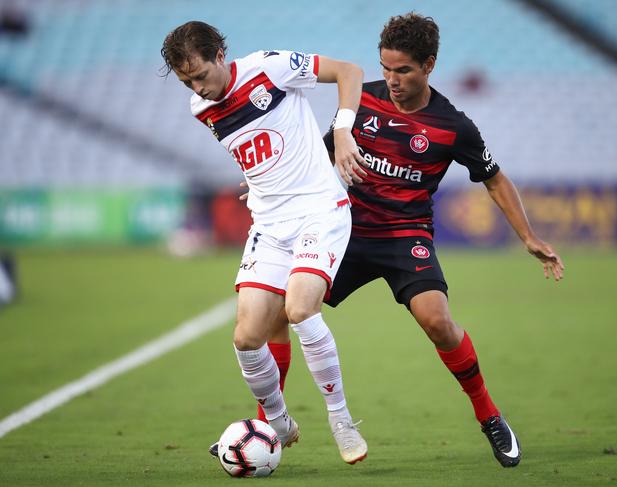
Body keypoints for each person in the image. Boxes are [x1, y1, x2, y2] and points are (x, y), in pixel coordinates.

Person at [211, 12, 565, 468]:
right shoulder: (363, 101)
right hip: (345, 229)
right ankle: (264, 430)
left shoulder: (453, 126)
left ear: (429, 65)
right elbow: (315, 149)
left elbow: (494, 178)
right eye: (385, 69)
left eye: (404, 71)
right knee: (278, 313)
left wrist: (529, 236)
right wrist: (268, 182)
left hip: (405, 234)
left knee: (438, 321)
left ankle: (490, 415)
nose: (392, 80)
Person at [160, 21, 369, 465]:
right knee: (246, 337)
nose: (198, 87)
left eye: (200, 74)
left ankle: (341, 418)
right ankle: (279, 422)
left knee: (299, 309)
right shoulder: (201, 107)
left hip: (319, 210)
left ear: (220, 55)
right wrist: (258, 180)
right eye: (187, 81)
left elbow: (350, 71)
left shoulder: (270, 69)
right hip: (270, 225)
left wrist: (344, 130)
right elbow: (259, 145)